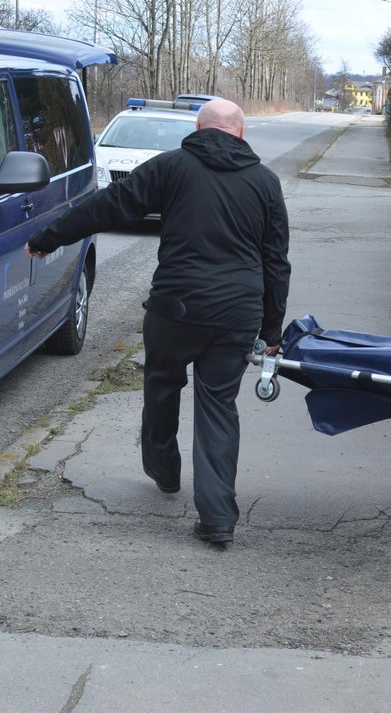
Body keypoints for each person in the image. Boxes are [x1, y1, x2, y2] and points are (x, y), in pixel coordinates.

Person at [25, 99, 290, 546]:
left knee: (163, 385)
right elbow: (275, 261)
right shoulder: (265, 182)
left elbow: (108, 206)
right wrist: (271, 332)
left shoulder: (171, 166)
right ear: (241, 134)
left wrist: (48, 238)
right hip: (236, 313)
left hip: (176, 308)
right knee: (218, 407)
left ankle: (164, 471)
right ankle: (218, 518)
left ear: (199, 128)